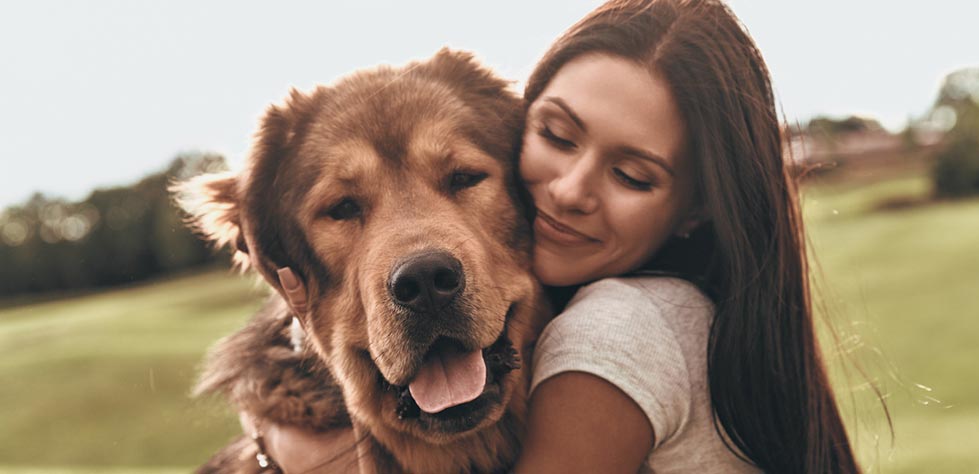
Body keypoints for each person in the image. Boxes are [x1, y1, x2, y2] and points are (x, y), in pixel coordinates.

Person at [246, 0, 860, 472]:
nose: (568, 191)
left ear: (696, 208)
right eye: (559, 137)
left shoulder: (614, 334)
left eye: (463, 177)